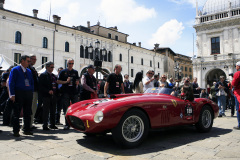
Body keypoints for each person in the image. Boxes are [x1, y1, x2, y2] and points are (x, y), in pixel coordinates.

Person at [9, 55, 34, 137]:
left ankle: (27, 129)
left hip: (28, 93)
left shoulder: (29, 71)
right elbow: (11, 82)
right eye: (28, 61)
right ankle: (16, 130)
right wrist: (12, 94)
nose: (29, 63)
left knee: (28, 112)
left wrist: (31, 91)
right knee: (17, 112)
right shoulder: (15, 70)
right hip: (19, 93)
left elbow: (31, 82)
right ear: (22, 61)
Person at [57, 58, 79, 130]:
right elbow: (58, 81)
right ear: (67, 64)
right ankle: (67, 124)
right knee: (66, 108)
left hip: (73, 92)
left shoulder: (75, 72)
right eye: (70, 63)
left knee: (75, 108)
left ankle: (75, 123)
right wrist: (66, 82)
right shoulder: (63, 72)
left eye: (72, 63)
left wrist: (77, 83)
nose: (71, 65)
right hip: (65, 92)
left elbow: (78, 80)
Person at [39, 62, 58, 130]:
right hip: (46, 95)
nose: (52, 68)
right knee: (46, 111)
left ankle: (52, 124)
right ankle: (45, 125)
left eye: (53, 67)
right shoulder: (43, 75)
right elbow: (40, 86)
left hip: (54, 95)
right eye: (51, 67)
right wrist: (47, 91)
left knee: (53, 110)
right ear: (47, 67)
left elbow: (56, 84)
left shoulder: (53, 75)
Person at [28, 54, 38, 130]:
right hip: (30, 91)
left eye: (35, 59)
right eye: (33, 59)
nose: (34, 61)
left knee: (33, 108)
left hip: (35, 90)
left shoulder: (33, 68)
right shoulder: (27, 68)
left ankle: (30, 124)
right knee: (29, 108)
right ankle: (27, 124)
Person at [231, 61, 240, 129]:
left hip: (238, 93)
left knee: (238, 109)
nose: (235, 67)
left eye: (236, 66)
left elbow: (233, 84)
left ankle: (239, 125)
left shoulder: (237, 73)